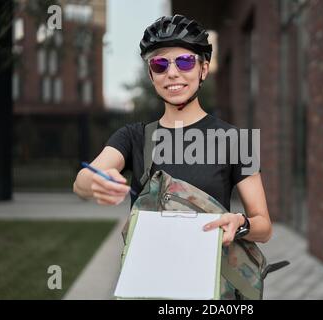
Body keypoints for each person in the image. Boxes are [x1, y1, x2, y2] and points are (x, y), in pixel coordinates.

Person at [73, 14, 272, 246]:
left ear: (203, 69)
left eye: (185, 61)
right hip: (145, 274)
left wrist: (241, 223)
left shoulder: (236, 140)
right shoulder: (133, 137)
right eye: (160, 65)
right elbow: (81, 183)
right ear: (151, 75)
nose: (172, 73)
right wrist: (96, 182)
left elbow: (264, 227)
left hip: (209, 276)